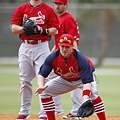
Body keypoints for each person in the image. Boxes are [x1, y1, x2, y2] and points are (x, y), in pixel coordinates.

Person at [35, 34, 107, 120]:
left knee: (94, 94)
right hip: (65, 79)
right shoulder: (53, 57)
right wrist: (41, 86)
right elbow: (41, 73)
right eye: (62, 47)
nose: (64, 50)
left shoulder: (81, 59)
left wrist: (85, 99)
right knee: (44, 92)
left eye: (67, 47)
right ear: (59, 46)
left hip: (81, 79)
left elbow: (87, 82)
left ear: (72, 47)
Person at [11, 0, 59, 120]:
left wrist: (42, 30)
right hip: (25, 46)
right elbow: (14, 28)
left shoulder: (48, 10)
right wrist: (25, 29)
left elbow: (55, 29)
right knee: (25, 80)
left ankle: (44, 113)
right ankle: (24, 111)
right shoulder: (21, 9)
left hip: (42, 46)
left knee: (43, 79)